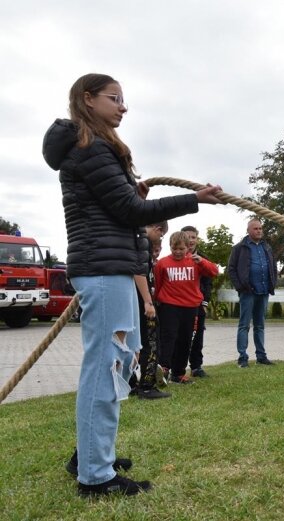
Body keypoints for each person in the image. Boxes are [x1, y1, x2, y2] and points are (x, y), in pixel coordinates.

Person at [43, 73, 223, 496]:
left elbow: (120, 204)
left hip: (114, 268)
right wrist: (194, 199)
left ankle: (91, 454)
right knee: (104, 369)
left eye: (124, 99)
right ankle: (95, 476)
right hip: (104, 271)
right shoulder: (90, 148)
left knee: (117, 365)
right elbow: (126, 211)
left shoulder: (96, 149)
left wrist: (134, 192)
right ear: (87, 100)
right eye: (114, 98)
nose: (123, 106)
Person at [154, 231, 219, 384]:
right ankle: (163, 369)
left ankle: (179, 373)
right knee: (168, 338)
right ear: (170, 247)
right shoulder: (162, 263)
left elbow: (214, 272)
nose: (177, 252)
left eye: (181, 249)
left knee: (185, 340)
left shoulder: (195, 262)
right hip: (169, 306)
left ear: (188, 248)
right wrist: (155, 302)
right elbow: (158, 284)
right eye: (174, 249)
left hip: (190, 307)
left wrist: (202, 261)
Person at [228, 219, 277, 367]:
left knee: (260, 325)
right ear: (248, 230)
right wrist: (240, 287)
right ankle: (243, 357)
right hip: (248, 292)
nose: (259, 231)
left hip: (263, 291)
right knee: (244, 325)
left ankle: (261, 356)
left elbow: (273, 266)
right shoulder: (239, 248)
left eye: (260, 228)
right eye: (255, 228)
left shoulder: (266, 247)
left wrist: (272, 282)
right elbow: (231, 269)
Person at [132, 221, 171, 399]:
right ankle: (147, 386)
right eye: (161, 236)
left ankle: (130, 382)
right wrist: (148, 302)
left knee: (132, 343)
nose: (159, 239)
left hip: (132, 299)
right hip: (141, 300)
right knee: (151, 342)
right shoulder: (144, 242)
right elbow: (139, 272)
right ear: (158, 229)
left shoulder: (133, 238)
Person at [181, 226, 214, 378]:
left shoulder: (203, 259)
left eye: (193, 237)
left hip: (198, 304)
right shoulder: (175, 257)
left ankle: (196, 366)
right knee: (179, 337)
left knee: (198, 335)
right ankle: (176, 368)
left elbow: (208, 282)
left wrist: (205, 302)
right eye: (188, 237)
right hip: (179, 303)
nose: (191, 240)